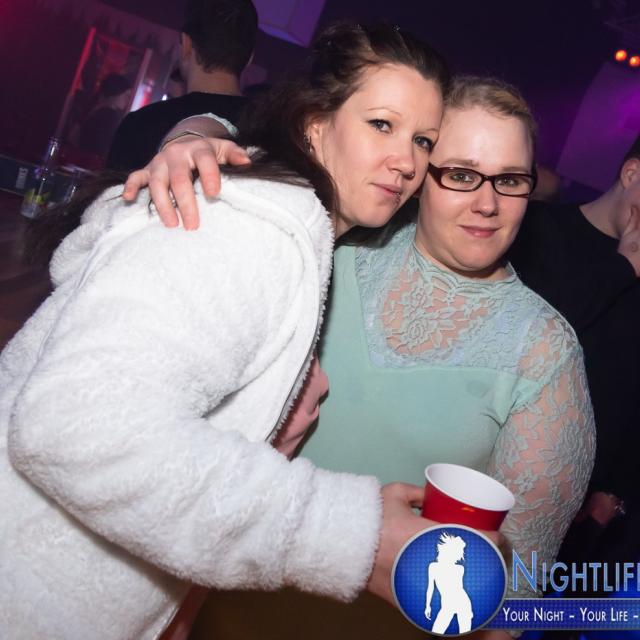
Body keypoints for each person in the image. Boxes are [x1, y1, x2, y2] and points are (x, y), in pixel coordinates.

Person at [0, 23, 453, 640]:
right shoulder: (250, 230)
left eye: (423, 140)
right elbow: (75, 426)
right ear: (315, 124)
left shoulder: (293, 227)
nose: (407, 161)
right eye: (382, 125)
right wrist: (354, 536)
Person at [128, 77, 595, 640]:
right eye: (461, 174)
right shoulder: (330, 246)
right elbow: (266, 137)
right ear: (418, 175)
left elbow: (514, 598)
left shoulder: (543, 350)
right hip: (211, 607)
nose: (487, 203)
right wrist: (190, 134)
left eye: (511, 180)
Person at [508, 137, 640, 606]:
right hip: (512, 480)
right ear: (632, 174)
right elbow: (532, 339)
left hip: (589, 507)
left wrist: (614, 490)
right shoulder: (540, 229)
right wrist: (623, 267)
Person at [106, 0, 257, 172]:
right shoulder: (266, 128)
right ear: (249, 59)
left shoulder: (139, 125)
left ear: (186, 45)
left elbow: (112, 189)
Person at [74, 73, 132, 160]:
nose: (128, 100)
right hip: (91, 163)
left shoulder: (96, 109)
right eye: (126, 95)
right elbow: (102, 149)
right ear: (115, 92)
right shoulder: (110, 116)